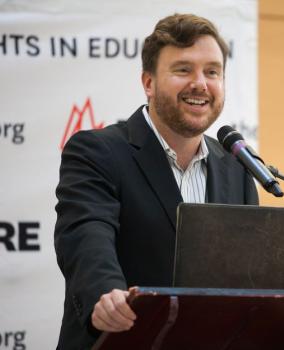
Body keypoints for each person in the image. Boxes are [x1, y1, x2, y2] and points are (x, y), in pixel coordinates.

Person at [54, 13, 258, 349]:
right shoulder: (97, 151)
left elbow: (248, 276)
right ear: (148, 83)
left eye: (212, 71)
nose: (200, 84)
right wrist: (105, 294)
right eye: (183, 69)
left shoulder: (237, 168)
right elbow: (86, 234)